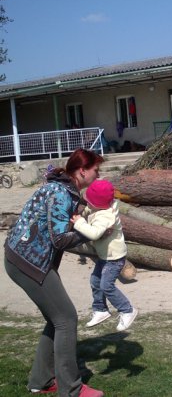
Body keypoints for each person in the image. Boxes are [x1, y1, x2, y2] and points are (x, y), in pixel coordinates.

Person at [4, 148, 105, 397]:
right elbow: (59, 239)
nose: (98, 175)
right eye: (96, 170)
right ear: (82, 170)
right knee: (66, 318)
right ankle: (71, 390)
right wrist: (90, 232)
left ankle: (42, 380)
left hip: (21, 258)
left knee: (56, 317)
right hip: (28, 263)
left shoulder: (62, 187)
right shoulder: (60, 193)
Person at [71, 179, 138, 332]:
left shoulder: (105, 216)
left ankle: (127, 310)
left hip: (114, 258)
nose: (88, 204)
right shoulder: (100, 207)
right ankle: (100, 309)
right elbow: (90, 210)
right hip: (105, 256)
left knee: (106, 286)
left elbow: (94, 234)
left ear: (99, 204)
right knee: (95, 281)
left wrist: (79, 222)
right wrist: (85, 212)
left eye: (90, 202)